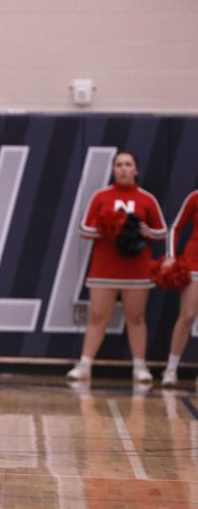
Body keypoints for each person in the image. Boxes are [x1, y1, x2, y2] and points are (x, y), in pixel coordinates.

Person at [66, 151, 166, 383]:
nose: (123, 168)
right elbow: (84, 230)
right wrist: (107, 227)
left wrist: (145, 232)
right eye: (119, 164)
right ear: (113, 169)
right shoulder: (101, 197)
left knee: (137, 316)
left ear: (136, 170)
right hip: (104, 269)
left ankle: (140, 367)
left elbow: (161, 232)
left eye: (128, 164)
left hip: (137, 270)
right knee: (98, 316)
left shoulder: (146, 199)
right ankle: (85, 364)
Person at [161, 190, 198, 387]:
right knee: (188, 316)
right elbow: (176, 228)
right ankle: (171, 368)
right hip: (194, 263)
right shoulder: (195, 197)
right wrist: (171, 256)